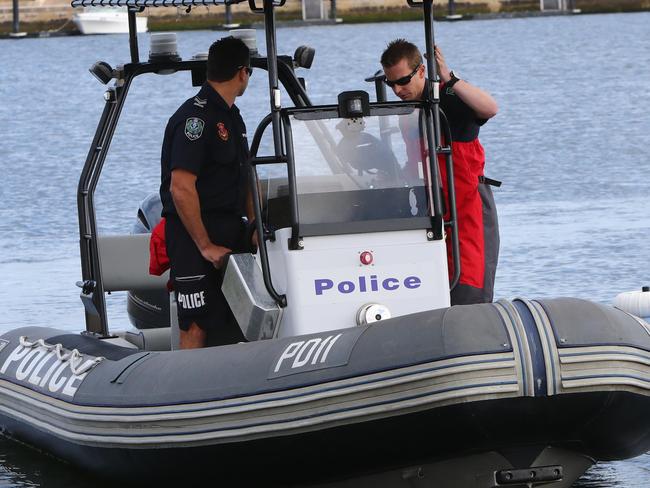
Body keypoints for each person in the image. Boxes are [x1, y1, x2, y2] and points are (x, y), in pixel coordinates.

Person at [380, 39, 499, 305]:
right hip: (434, 212)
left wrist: (449, 77)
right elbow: (415, 166)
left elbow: (490, 107)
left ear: (421, 71)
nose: (397, 90)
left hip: (468, 208)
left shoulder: (447, 96)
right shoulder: (409, 113)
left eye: (403, 81)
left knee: (469, 288)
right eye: (391, 84)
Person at [159, 36, 253, 349]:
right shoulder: (194, 119)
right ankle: (184, 395)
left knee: (245, 317)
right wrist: (205, 246)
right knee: (195, 323)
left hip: (231, 229)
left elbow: (246, 178)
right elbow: (181, 188)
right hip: (192, 235)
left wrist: (256, 229)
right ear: (243, 73)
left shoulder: (233, 117)